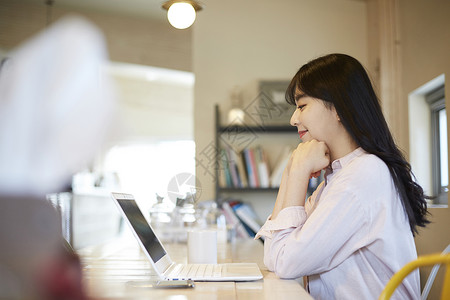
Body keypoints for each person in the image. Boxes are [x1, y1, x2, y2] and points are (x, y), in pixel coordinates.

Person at [255, 53, 429, 299]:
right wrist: (292, 169)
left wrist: (299, 174)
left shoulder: (363, 174)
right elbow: (274, 256)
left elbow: (285, 263)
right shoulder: (338, 177)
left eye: (302, 106)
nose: (294, 119)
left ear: (339, 108)